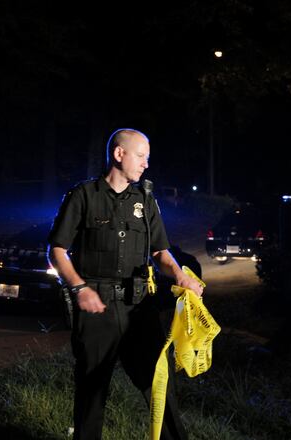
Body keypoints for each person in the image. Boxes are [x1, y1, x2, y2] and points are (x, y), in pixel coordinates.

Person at [48, 128, 204, 440]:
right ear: (119, 154)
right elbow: (56, 250)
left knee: (160, 387)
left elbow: (161, 251)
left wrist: (180, 275)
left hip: (139, 308)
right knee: (92, 392)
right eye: (141, 156)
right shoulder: (83, 196)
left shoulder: (146, 202)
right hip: (97, 310)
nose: (146, 164)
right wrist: (79, 288)